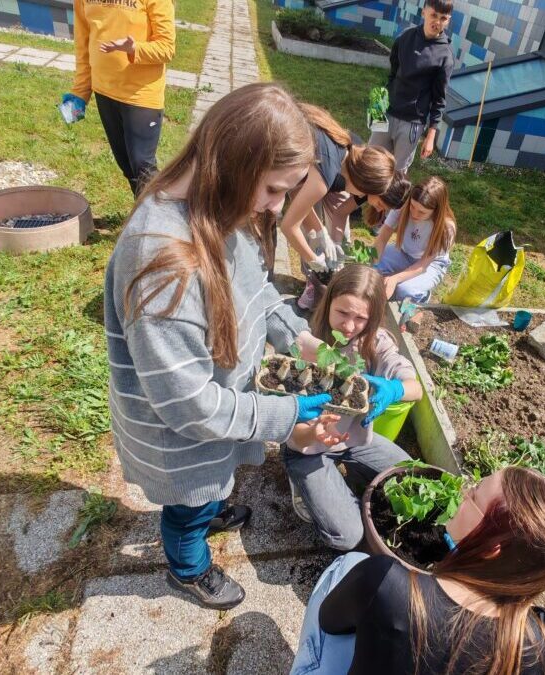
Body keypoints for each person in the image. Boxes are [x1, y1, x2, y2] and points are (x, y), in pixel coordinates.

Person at [104, 83, 348, 610]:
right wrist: (283, 413)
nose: (280, 207)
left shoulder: (219, 213)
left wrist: (297, 336)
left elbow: (254, 288)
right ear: (234, 166)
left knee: (210, 487)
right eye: (274, 190)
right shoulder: (163, 264)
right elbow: (188, 405)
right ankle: (188, 566)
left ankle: (208, 504)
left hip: (214, 421)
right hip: (185, 435)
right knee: (186, 508)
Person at [291, 467, 545, 675]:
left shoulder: (389, 585)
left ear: (492, 549)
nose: (465, 490)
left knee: (348, 564)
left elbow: (329, 622)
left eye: (475, 495)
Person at [283, 264, 422, 550]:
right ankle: (303, 482)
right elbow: (293, 433)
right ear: (328, 301)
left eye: (360, 318)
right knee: (348, 537)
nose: (348, 326)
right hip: (307, 447)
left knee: (412, 476)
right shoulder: (305, 344)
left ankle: (351, 473)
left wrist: (395, 389)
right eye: (342, 313)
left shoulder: (376, 343)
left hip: (353, 441)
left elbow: (416, 387)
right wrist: (315, 435)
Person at [282, 104, 395, 310]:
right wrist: (314, 261)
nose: (359, 197)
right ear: (362, 183)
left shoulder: (342, 148)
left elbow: (297, 192)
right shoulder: (326, 176)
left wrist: (320, 231)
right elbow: (289, 226)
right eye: (364, 193)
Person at [63, 0, 175, 196]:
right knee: (127, 166)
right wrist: (80, 92)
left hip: (140, 95)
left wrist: (134, 49)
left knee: (142, 166)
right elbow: (83, 44)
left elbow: (166, 48)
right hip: (104, 91)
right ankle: (142, 214)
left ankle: (158, 220)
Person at [369, 0, 454, 174]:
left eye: (443, 18)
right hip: (385, 110)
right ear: (424, 12)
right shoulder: (405, 37)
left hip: (412, 123)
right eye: (433, 15)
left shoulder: (445, 56)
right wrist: (377, 107)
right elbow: (392, 75)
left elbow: (439, 100)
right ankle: (359, 199)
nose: (437, 22)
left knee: (397, 173)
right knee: (370, 162)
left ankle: (387, 202)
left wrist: (430, 137)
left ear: (448, 21)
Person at [374, 175, 456, 303]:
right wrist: (374, 264)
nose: (414, 214)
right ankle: (401, 283)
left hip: (431, 265)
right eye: (412, 206)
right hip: (404, 253)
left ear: (436, 211)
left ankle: (422, 296)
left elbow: (423, 265)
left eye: (422, 212)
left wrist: (395, 279)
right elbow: (382, 238)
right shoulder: (402, 206)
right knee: (372, 267)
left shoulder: (446, 228)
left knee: (405, 290)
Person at [364, 171, 412, 236]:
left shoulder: (368, 190)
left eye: (384, 208)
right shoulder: (359, 180)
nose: (378, 210)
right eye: (380, 204)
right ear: (380, 188)